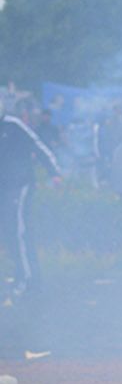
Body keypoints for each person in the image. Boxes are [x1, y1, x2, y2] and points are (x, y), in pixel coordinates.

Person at [0, 107, 62, 301]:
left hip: (20, 185)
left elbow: (38, 145)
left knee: (18, 231)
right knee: (10, 233)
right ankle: (23, 274)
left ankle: (29, 281)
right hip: (4, 187)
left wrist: (54, 173)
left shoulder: (12, 125)